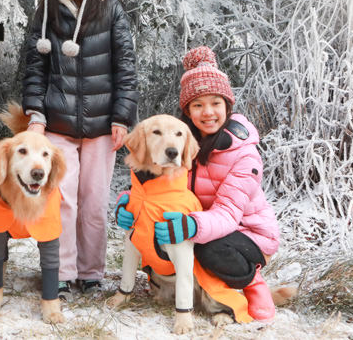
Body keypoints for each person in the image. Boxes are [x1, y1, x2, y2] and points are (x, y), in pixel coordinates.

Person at [116, 46, 281, 322]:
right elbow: (162, 186)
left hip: (247, 234)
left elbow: (229, 214)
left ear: (227, 106)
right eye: (198, 105)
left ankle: (252, 282)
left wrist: (193, 225)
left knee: (206, 247)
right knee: (153, 231)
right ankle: (188, 288)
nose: (208, 113)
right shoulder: (179, 141)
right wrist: (131, 202)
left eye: (216, 103)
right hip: (199, 221)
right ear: (187, 111)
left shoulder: (244, 154)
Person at [21, 0, 139, 298]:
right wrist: (35, 114)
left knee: (93, 200)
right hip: (57, 121)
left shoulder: (110, 8)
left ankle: (90, 272)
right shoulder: (45, 10)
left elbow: (126, 67)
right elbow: (34, 68)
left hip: (103, 123)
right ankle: (61, 270)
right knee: (63, 197)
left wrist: (122, 116)